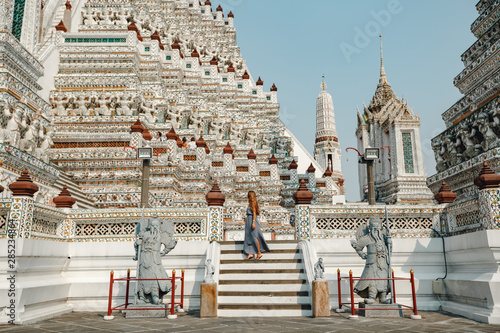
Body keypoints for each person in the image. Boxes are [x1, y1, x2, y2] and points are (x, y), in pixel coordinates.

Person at [243, 191, 270, 260]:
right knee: (249, 237)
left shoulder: (253, 203)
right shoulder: (250, 203)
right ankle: (250, 253)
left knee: (254, 237)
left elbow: (254, 213)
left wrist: (253, 222)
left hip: (252, 220)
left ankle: (258, 253)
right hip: (249, 220)